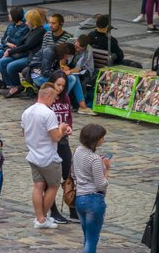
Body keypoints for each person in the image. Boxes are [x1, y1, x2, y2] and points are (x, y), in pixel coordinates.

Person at [21, 84, 72, 229]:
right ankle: (41, 218)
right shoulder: (48, 114)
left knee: (38, 186)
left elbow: (24, 132)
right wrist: (62, 127)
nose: (55, 101)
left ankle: (39, 217)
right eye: (54, 97)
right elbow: (56, 137)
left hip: (33, 154)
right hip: (48, 156)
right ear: (48, 96)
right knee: (54, 186)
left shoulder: (27, 112)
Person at [0, 10, 45, 96]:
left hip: (31, 58)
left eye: (27, 21)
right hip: (18, 53)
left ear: (32, 21)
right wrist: (8, 47)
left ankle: (16, 86)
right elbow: (20, 42)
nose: (26, 22)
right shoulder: (31, 30)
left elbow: (27, 46)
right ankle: (9, 85)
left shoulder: (39, 31)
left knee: (9, 66)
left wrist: (10, 51)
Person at [45, 71, 77, 224]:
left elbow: (68, 116)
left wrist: (68, 127)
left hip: (64, 141)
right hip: (51, 142)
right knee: (51, 179)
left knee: (68, 175)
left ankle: (72, 207)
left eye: (63, 85)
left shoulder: (65, 98)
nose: (60, 88)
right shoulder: (47, 99)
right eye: (58, 84)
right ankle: (53, 210)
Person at [73, 124, 109, 253]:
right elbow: (101, 184)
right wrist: (106, 170)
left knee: (87, 237)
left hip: (79, 199)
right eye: (101, 138)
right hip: (94, 200)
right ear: (95, 139)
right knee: (92, 239)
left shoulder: (78, 151)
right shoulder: (95, 159)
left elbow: (73, 173)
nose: (103, 140)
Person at [62, 34, 96, 114]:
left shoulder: (87, 51)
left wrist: (68, 71)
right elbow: (62, 55)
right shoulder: (70, 41)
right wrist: (63, 66)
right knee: (71, 77)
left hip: (84, 71)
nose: (77, 50)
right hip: (70, 66)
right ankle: (80, 105)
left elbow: (79, 68)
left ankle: (64, 101)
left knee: (73, 76)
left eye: (80, 49)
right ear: (76, 41)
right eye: (76, 47)